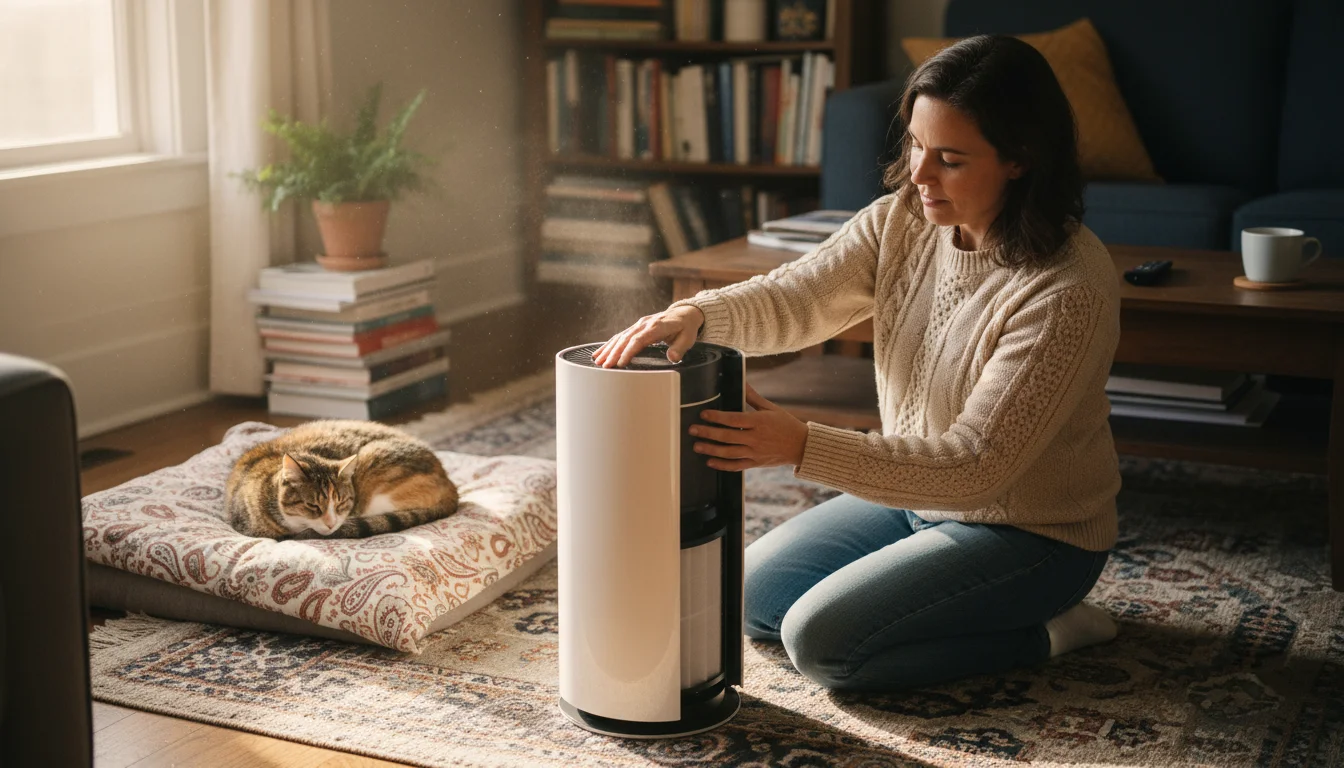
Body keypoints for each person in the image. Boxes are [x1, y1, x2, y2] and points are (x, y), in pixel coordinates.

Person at [591, 34, 1120, 691]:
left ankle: (1050, 631)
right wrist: (699, 314)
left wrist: (802, 445)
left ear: (1020, 159)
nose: (920, 177)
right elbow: (798, 296)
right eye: (916, 146)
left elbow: (978, 466)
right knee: (755, 598)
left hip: (1032, 534)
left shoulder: (1067, 289)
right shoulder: (903, 220)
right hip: (914, 497)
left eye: (950, 160)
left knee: (823, 645)